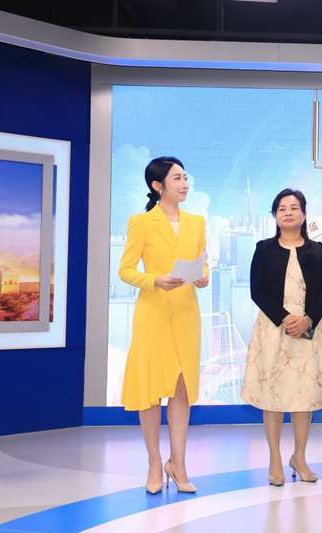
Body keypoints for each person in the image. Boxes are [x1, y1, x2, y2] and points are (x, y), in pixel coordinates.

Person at [118, 156, 209, 495]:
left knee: (182, 389)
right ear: (158, 186)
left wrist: (202, 277)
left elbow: (203, 263)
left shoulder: (196, 222)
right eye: (176, 178)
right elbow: (126, 270)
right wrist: (155, 280)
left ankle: (178, 464)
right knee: (150, 390)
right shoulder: (141, 223)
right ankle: (155, 463)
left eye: (185, 177)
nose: (184, 184)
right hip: (153, 314)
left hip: (186, 314)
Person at [242, 188, 322, 487]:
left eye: (294, 207)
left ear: (304, 214)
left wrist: (307, 319)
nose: (288, 212)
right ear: (275, 215)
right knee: (273, 396)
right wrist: (284, 318)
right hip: (273, 329)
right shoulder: (263, 249)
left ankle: (300, 457)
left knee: (303, 397)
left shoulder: (317, 250)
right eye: (282, 208)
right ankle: (274, 459)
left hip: (308, 329)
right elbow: (257, 290)